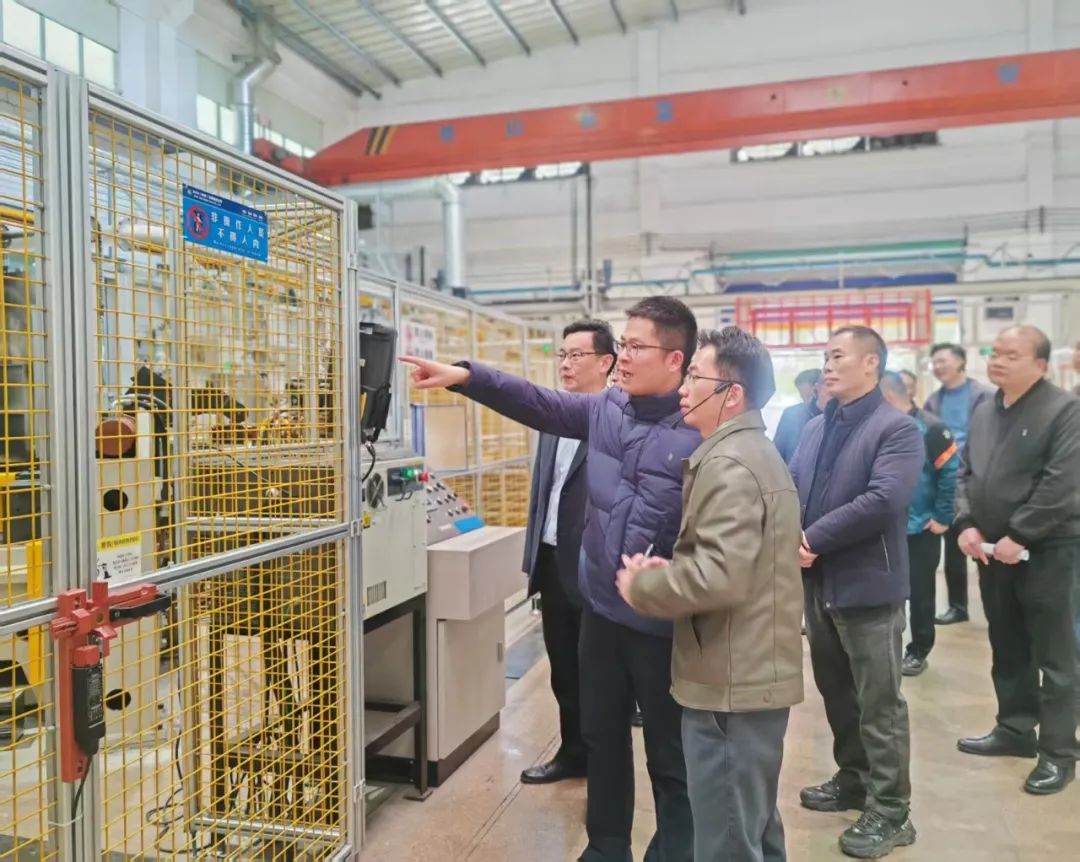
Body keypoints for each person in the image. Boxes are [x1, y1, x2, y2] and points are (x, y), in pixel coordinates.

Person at [402, 297, 699, 862]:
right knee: (602, 736)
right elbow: (537, 402)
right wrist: (467, 377)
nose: (624, 357)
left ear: (675, 359)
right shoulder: (606, 409)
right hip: (602, 612)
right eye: (624, 344)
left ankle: (675, 851)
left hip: (663, 624)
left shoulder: (699, 430)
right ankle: (606, 846)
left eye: (637, 346)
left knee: (670, 753)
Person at [616, 327, 804, 862]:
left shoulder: (728, 464)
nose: (683, 387)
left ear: (732, 394)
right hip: (747, 671)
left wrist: (645, 585)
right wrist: (677, 567)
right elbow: (738, 559)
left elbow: (721, 576)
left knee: (726, 838)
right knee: (751, 828)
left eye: (695, 376)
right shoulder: (746, 452)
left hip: (730, 684)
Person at [789, 326, 924, 859]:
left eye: (837, 355)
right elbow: (794, 486)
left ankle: (891, 810)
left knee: (879, 703)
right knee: (837, 692)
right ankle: (854, 779)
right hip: (819, 584)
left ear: (871, 364)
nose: (827, 365)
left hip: (869, 586)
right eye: (824, 356)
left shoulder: (897, 429)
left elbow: (884, 498)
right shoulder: (816, 427)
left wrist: (812, 539)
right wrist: (791, 537)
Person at [953, 324, 1080, 796]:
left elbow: (1061, 483)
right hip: (991, 552)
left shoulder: (1064, 410)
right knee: (1007, 644)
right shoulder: (986, 408)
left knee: (1056, 656)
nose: (998, 360)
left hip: (1047, 550)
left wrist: (1020, 533)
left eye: (1011, 354)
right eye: (994, 352)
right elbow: (965, 471)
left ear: (1041, 365)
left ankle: (1059, 752)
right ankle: (1015, 729)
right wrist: (966, 523)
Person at [519, 320, 616, 784]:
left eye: (577, 355)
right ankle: (573, 754)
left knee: (599, 672)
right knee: (563, 668)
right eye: (562, 355)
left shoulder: (617, 419)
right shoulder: (553, 420)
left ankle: (605, 766)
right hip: (553, 558)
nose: (566, 364)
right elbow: (544, 492)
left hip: (595, 565)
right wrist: (533, 559)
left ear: (606, 362)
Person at [879, 371, 959, 677]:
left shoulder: (932, 428)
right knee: (889, 593)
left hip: (921, 528)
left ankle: (919, 649)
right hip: (887, 528)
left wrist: (942, 516)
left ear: (887, 395)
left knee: (922, 594)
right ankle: (888, 647)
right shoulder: (880, 426)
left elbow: (950, 474)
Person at [924, 343, 994, 625]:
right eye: (935, 362)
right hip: (948, 479)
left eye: (943, 360)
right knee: (953, 546)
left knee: (985, 544)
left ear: (961, 361)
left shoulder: (985, 395)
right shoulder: (933, 401)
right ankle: (958, 606)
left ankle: (996, 607)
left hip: (980, 479)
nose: (938, 367)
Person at [773, 368, 823, 463]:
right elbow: (777, 452)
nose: (808, 402)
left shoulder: (834, 417)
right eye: (803, 397)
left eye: (811, 396)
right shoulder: (790, 414)